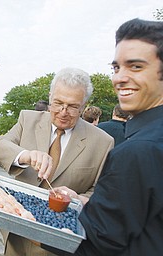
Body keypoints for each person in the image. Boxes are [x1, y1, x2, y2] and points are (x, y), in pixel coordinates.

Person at [43, 18, 163, 256]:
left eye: (136, 67)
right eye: (116, 68)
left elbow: (96, 243)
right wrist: (88, 203)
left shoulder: (137, 151)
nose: (119, 78)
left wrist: (31, 225)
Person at [0, 67, 114, 256]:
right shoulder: (27, 119)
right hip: (16, 237)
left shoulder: (103, 142)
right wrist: (25, 155)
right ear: (50, 97)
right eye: (57, 103)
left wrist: (80, 200)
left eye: (72, 106)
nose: (63, 112)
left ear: (84, 105)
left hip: (58, 247)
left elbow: (101, 192)